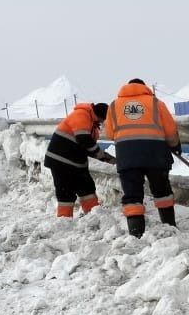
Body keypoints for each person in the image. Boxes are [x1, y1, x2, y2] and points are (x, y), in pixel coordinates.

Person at [103, 78, 181, 237]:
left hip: (127, 156)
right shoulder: (155, 103)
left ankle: (136, 233)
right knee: (162, 191)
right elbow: (170, 130)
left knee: (132, 194)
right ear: (143, 87)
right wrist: (174, 146)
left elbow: (110, 133)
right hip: (155, 154)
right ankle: (169, 226)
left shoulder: (113, 106)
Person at [42, 102, 115, 217]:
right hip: (60, 161)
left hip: (76, 163)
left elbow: (89, 148)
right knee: (65, 192)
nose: (103, 123)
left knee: (87, 188)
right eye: (103, 120)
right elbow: (84, 140)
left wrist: (106, 158)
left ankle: (93, 215)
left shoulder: (92, 125)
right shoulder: (82, 115)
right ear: (101, 116)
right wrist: (105, 157)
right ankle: (64, 220)